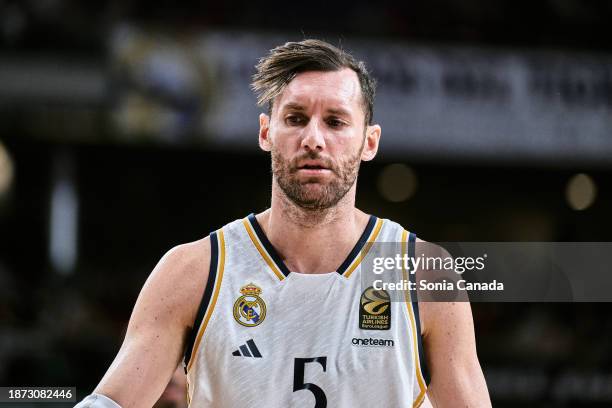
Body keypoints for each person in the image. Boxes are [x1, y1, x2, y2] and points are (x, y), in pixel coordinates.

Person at [75, 39, 491, 408]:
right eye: (294, 118)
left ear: (370, 141)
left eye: (335, 121)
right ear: (265, 133)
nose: (313, 138)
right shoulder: (193, 271)